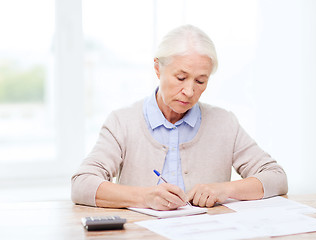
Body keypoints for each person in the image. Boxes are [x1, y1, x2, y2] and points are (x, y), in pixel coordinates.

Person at [71, 24, 288, 210]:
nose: (189, 91)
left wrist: (224, 189)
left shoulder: (224, 123)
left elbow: (276, 177)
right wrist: (144, 197)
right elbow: (82, 184)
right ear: (157, 68)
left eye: (200, 81)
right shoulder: (122, 122)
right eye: (181, 77)